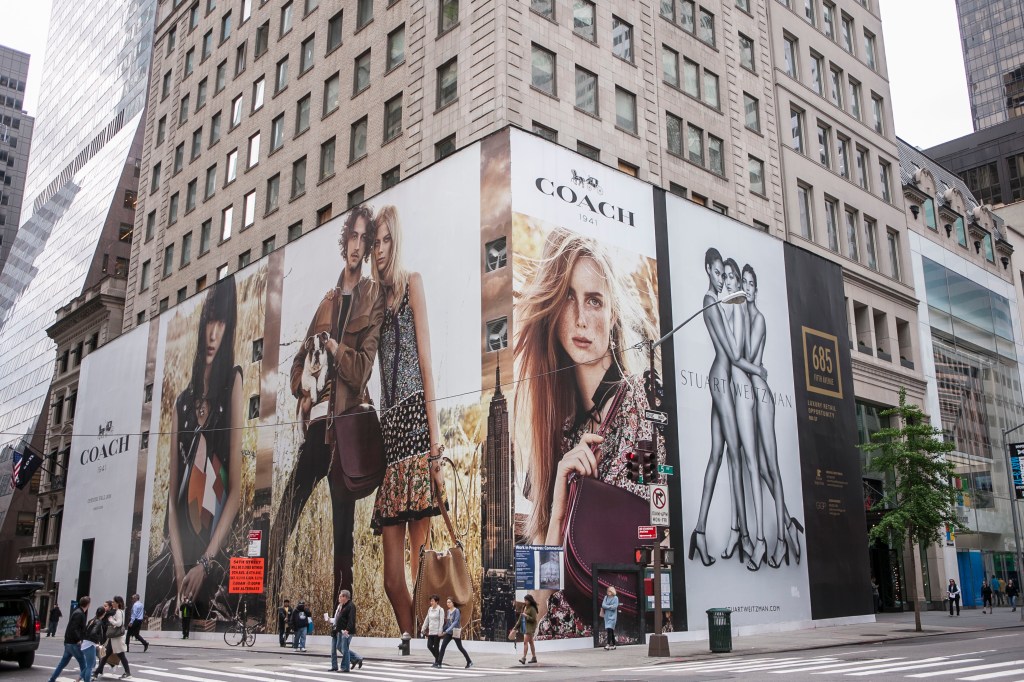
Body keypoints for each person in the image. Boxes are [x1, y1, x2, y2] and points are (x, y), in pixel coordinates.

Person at [514, 229, 662, 635]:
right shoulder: (554, 430)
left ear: (613, 314)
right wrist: (558, 509)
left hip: (611, 639)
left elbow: (649, 522)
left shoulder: (639, 404)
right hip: (552, 646)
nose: (581, 318)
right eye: (568, 297)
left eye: (594, 300)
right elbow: (531, 598)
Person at [271, 205, 386, 609]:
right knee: (283, 519)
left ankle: (345, 617)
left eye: (363, 239)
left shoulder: (373, 298)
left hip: (347, 429)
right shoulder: (327, 300)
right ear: (345, 243)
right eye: (351, 237)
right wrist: (303, 387)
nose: (356, 246)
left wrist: (336, 346)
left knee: (343, 537)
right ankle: (266, 604)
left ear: (369, 245)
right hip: (317, 428)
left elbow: (361, 370)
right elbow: (297, 365)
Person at [370, 205, 446, 640]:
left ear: (395, 243)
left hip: (416, 424)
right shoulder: (372, 302)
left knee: (421, 561)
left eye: (385, 241)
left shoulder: (411, 283)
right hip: (388, 431)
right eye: (375, 242)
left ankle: (422, 643)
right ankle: (412, 634)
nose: (379, 250)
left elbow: (427, 363)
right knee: (390, 577)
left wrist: (436, 448)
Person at [147, 275, 243, 624]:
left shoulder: (233, 382)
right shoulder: (181, 403)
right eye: (209, 321)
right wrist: (178, 567)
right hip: (178, 545)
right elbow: (172, 497)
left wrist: (203, 562)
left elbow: (234, 493)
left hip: (213, 544)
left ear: (229, 327)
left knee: (220, 608)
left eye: (222, 322)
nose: (213, 333)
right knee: (157, 598)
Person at [688, 249, 765, 569]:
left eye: (724, 274)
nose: (722, 279)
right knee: (734, 454)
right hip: (721, 379)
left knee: (717, 455)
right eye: (718, 273)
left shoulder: (718, 302)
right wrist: (758, 370)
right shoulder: (710, 303)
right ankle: (745, 535)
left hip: (720, 379)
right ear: (708, 270)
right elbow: (733, 353)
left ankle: (700, 531)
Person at [741, 264, 804, 567]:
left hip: (761, 394)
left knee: (771, 467)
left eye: (751, 283)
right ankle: (788, 526)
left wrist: (739, 359)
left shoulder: (758, 318)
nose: (747, 287)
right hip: (749, 394)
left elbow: (752, 360)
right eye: (744, 282)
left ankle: (777, 540)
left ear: (756, 289)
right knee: (759, 468)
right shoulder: (741, 316)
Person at [46, 595, 88, 682]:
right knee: (83, 664)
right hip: (74, 643)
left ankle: (51, 680)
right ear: (87, 604)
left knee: (62, 664)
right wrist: (78, 640)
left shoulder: (76, 612)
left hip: (68, 642)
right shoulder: (80, 614)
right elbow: (74, 628)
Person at [95, 596, 132, 679]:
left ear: (117, 603)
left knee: (121, 655)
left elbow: (119, 623)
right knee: (105, 654)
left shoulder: (118, 612)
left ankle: (128, 673)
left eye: (113, 602)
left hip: (117, 638)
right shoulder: (121, 611)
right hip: (115, 638)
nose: (112, 603)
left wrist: (111, 620)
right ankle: (97, 672)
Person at [436, 597, 472, 669]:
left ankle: (469, 661)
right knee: (443, 646)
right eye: (447, 602)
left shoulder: (457, 611)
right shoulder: (448, 611)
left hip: (455, 632)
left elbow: (455, 622)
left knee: (460, 647)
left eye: (449, 602)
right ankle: (439, 663)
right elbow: (448, 623)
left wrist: (446, 631)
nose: (448, 604)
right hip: (449, 633)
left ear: (453, 603)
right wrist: (443, 629)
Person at [334, 590, 362, 672]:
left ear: (345, 597)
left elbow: (351, 619)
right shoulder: (343, 605)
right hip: (340, 631)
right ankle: (356, 658)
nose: (339, 597)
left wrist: (347, 629)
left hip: (346, 632)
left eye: (340, 596)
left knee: (344, 648)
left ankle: (345, 667)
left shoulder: (350, 606)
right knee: (339, 647)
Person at [80, 605, 105, 682]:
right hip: (90, 644)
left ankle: (78, 679)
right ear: (103, 614)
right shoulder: (98, 622)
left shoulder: (92, 620)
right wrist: (98, 640)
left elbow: (85, 631)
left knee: (92, 663)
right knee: (90, 666)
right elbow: (93, 633)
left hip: (86, 643)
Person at [420, 594, 444, 665]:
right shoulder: (430, 609)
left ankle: (437, 661)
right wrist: (423, 628)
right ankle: (439, 658)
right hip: (431, 631)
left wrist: (440, 631)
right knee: (429, 646)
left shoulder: (440, 610)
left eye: (433, 601)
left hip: (437, 632)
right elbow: (427, 619)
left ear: (437, 602)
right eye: (431, 601)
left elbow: (441, 621)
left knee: (436, 647)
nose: (431, 602)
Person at [519, 594, 539, 665]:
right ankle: (534, 657)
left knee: (525, 642)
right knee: (531, 642)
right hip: (525, 626)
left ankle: (523, 658)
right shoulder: (525, 607)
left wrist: (526, 616)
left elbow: (533, 619)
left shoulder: (532, 608)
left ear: (530, 601)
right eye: (525, 600)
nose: (525, 602)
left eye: (526, 600)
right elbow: (520, 618)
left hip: (530, 627)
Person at [601, 586, 618, 650]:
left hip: (613, 617)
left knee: (609, 630)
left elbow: (615, 607)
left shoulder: (615, 598)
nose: (608, 592)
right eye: (608, 591)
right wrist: (610, 606)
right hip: (607, 616)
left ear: (612, 591)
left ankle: (608, 645)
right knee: (611, 631)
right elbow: (603, 605)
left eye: (609, 591)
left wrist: (607, 606)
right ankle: (614, 645)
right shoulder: (606, 597)